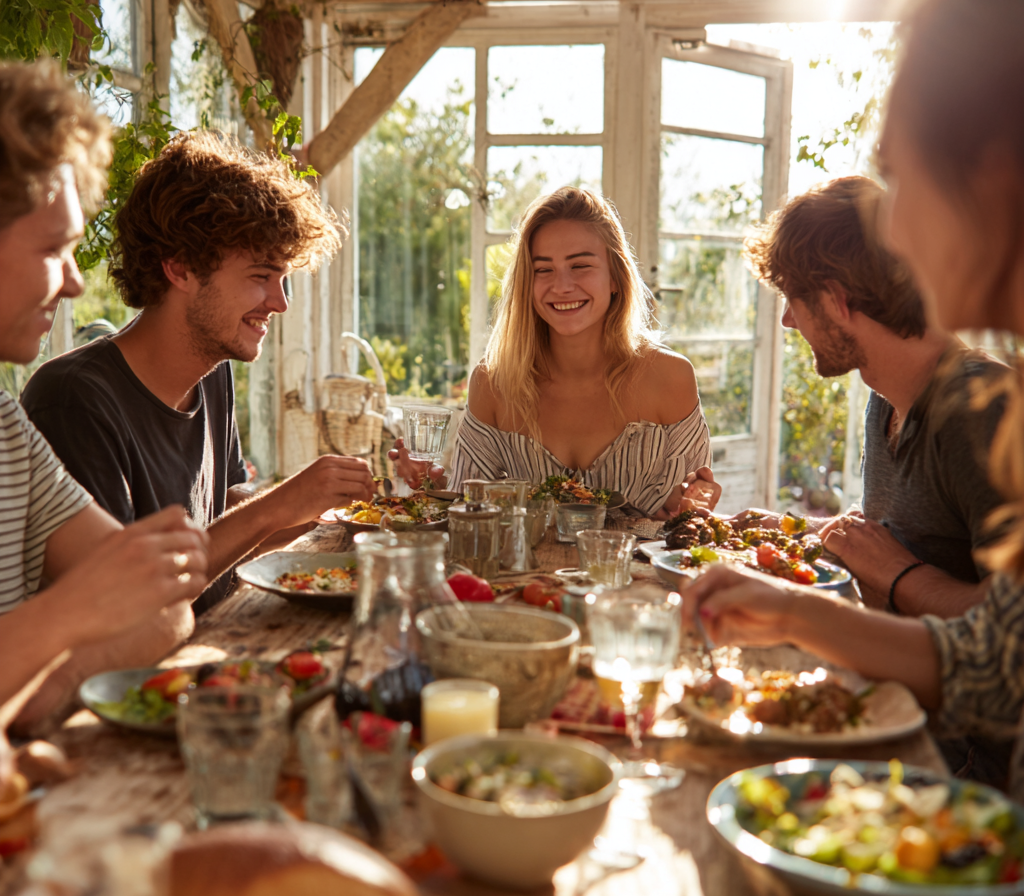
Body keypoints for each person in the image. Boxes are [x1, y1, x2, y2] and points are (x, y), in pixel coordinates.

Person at [684, 0, 1024, 799]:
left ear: (996, 172)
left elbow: (992, 659)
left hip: (956, 776)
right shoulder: (888, 403)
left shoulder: (987, 412)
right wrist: (795, 592)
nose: (895, 230)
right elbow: (999, 654)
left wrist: (885, 579)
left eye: (904, 176)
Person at [21, 131, 376, 613]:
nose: (280, 302)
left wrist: (333, 508)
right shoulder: (72, 400)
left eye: (284, 279)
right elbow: (118, 603)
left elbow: (222, 525)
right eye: (261, 276)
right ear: (181, 268)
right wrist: (276, 507)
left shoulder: (212, 373)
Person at [0, 60, 209, 766]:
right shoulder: (66, 397)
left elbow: (163, 604)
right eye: (53, 248)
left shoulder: (6, 426)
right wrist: (70, 613)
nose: (74, 281)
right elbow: (113, 595)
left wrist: (36, 694)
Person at [741, 176, 1007, 619]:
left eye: (792, 298)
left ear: (835, 299)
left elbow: (1012, 625)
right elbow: (888, 541)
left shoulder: (983, 413)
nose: (788, 320)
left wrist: (897, 575)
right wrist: (784, 528)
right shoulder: (885, 398)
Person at [390, 187, 721, 518]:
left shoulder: (670, 378)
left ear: (615, 278)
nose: (561, 286)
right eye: (543, 269)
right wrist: (427, 483)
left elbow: (690, 517)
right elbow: (469, 512)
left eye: (580, 265)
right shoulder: (492, 383)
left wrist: (690, 503)